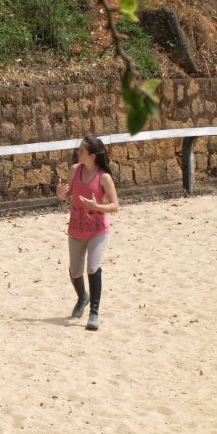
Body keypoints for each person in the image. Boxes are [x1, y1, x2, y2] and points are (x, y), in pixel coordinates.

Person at [56, 135, 119, 331]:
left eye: (81, 150)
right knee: (75, 271)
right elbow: (66, 195)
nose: (78, 152)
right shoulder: (75, 170)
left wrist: (97, 206)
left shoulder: (104, 177)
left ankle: (94, 312)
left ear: (92, 156)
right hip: (76, 228)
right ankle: (83, 297)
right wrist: (60, 193)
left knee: (93, 267)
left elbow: (115, 206)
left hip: (98, 231)